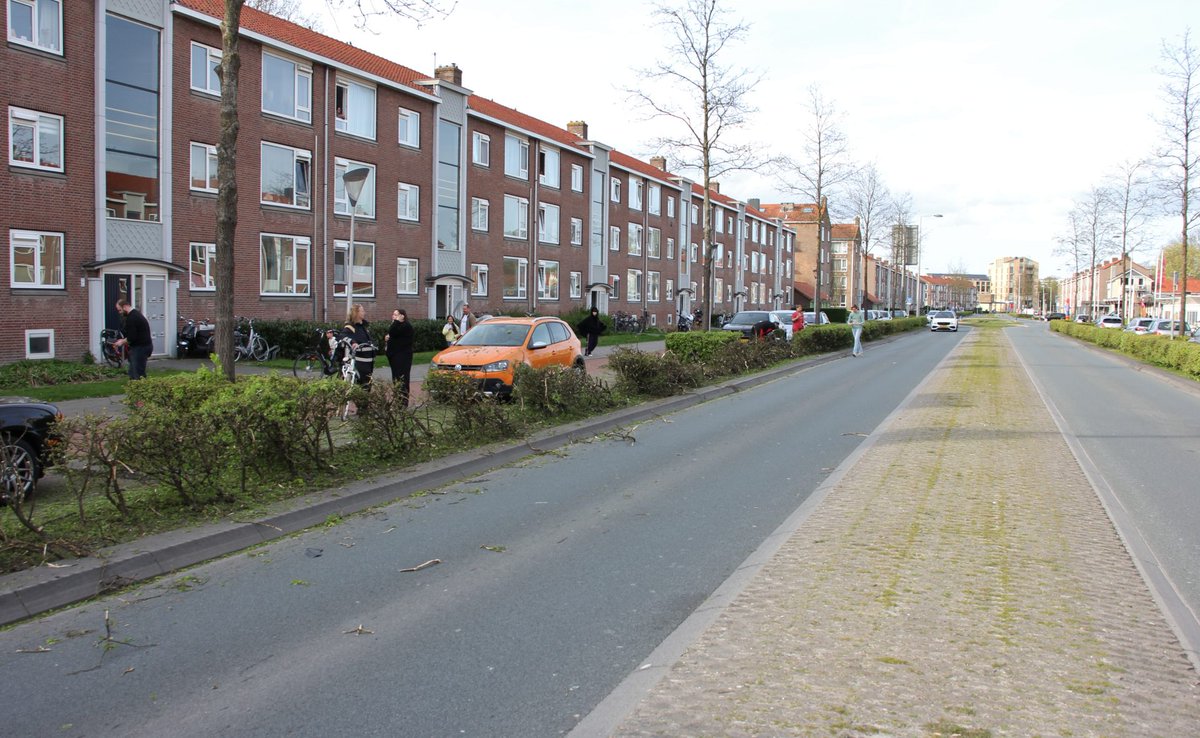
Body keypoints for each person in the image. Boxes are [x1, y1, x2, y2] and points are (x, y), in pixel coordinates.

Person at [113, 298, 153, 380]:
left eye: (120, 310)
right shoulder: (136, 314)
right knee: (133, 373)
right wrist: (123, 341)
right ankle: (135, 389)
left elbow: (132, 337)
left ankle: (141, 390)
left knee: (137, 374)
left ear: (125, 307)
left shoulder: (132, 318)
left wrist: (121, 342)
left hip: (140, 348)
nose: (119, 313)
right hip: (143, 346)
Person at [385, 308, 415, 406]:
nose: (394, 316)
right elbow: (393, 334)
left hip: (402, 358)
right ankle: (398, 399)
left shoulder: (406, 326)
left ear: (402, 316)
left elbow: (394, 332)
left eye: (396, 314)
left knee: (402, 379)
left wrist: (396, 322)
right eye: (393, 314)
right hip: (394, 357)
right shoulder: (396, 325)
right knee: (396, 379)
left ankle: (403, 402)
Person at [340, 303, 375, 386]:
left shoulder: (364, 326)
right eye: (362, 311)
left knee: (368, 383)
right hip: (359, 361)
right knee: (362, 384)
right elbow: (343, 337)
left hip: (369, 360)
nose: (364, 312)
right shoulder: (350, 327)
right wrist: (353, 342)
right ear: (356, 313)